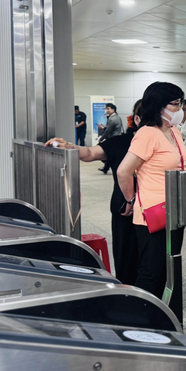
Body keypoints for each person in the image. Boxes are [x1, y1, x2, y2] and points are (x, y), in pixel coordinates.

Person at [45, 100, 143, 287]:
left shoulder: (166, 145)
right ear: (137, 119)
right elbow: (89, 152)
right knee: (127, 261)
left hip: (155, 211)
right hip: (126, 210)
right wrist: (69, 146)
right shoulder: (121, 142)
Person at [117, 82, 186, 299]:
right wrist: (131, 200)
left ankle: (165, 319)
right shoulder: (147, 133)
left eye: (181, 104)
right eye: (175, 104)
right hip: (153, 214)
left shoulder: (174, 131)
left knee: (169, 269)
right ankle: (143, 322)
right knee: (151, 271)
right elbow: (124, 172)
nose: (180, 109)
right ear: (158, 106)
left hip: (175, 212)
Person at [98, 103, 124, 174]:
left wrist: (102, 138)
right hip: (119, 137)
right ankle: (106, 168)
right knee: (112, 154)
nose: (106, 110)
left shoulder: (112, 119)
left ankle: (107, 168)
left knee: (110, 154)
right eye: (106, 109)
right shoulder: (118, 117)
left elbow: (108, 131)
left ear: (113, 110)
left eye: (108, 109)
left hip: (113, 138)